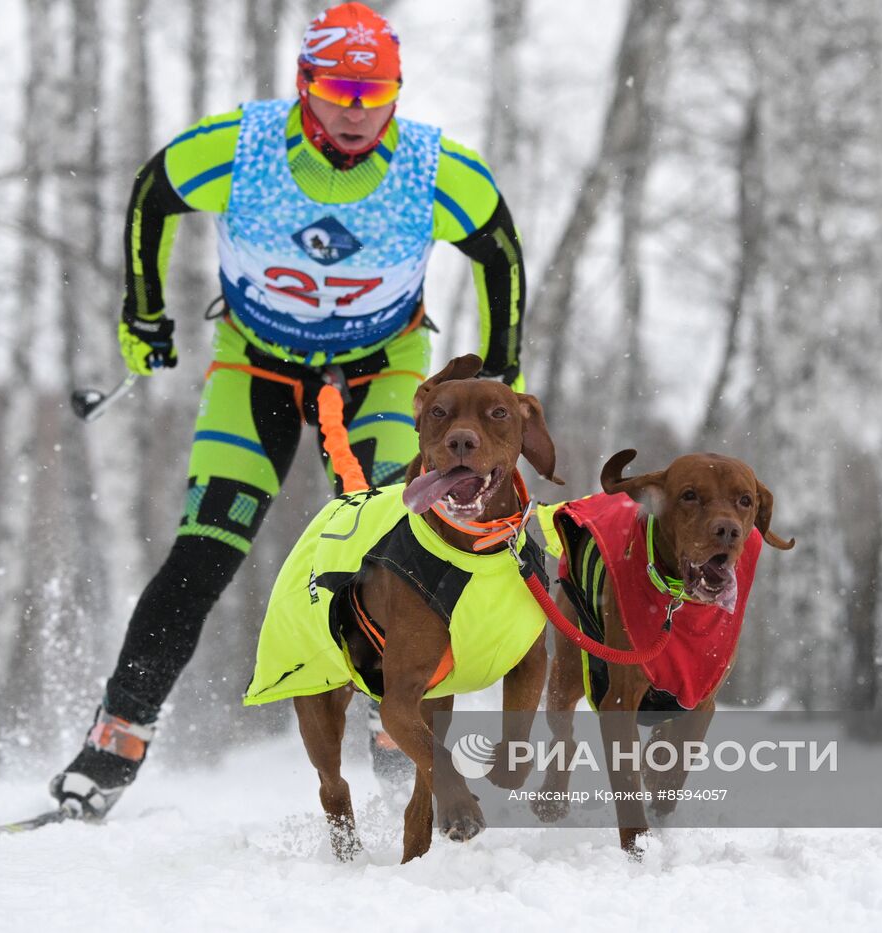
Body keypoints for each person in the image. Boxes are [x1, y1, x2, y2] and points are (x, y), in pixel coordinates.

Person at [49, 1, 528, 818]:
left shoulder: (431, 168)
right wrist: (143, 313)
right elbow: (152, 195)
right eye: (338, 89)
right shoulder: (244, 148)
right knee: (207, 549)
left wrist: (503, 372)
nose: (356, 109)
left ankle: (394, 716)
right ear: (305, 85)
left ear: (396, 92)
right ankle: (117, 734)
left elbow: (500, 253)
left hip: (383, 369)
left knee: (403, 539)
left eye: (374, 92)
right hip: (257, 366)